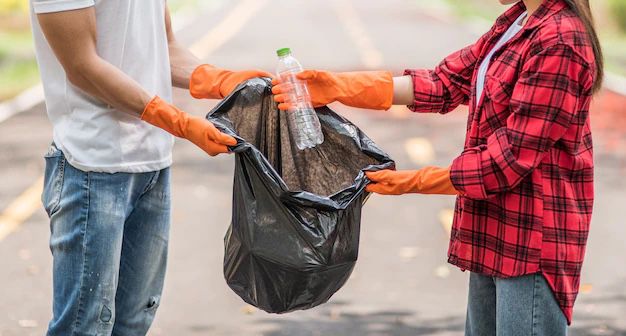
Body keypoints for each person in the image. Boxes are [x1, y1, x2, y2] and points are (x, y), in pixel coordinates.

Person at [272, 0, 601, 334]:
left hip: (531, 243)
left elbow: (508, 160)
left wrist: (412, 182)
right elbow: (445, 83)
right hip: (493, 233)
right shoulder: (516, 21)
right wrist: (340, 87)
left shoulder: (560, 40)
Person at [30, 1, 270, 335]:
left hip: (152, 163)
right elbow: (82, 66)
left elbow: (164, 47)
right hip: (92, 166)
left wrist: (221, 81)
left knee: (134, 322)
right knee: (84, 326)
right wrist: (181, 123)